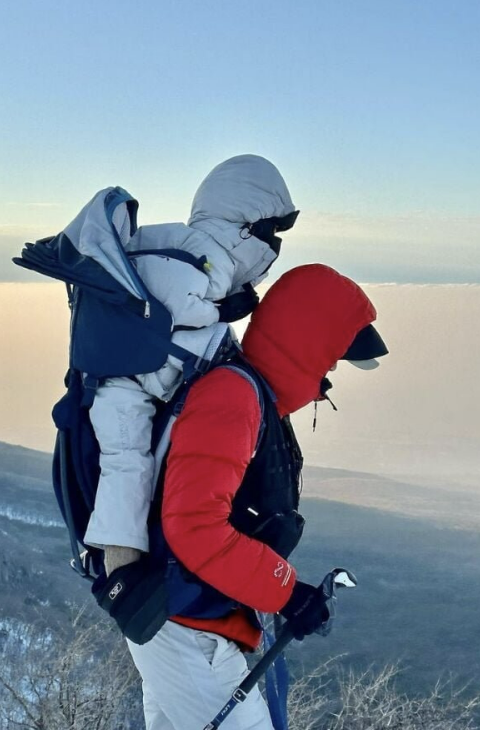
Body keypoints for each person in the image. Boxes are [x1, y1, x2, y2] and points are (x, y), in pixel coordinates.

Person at [120, 264, 388, 730]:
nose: (329, 375)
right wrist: (287, 592)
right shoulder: (233, 397)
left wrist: (285, 594)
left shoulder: (249, 397)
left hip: (188, 621)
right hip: (188, 630)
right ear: (308, 346)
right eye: (331, 359)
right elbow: (196, 527)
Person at [84, 155, 299, 577]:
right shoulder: (208, 259)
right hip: (127, 382)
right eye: (272, 230)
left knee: (127, 464)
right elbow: (181, 311)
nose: (274, 245)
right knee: (127, 463)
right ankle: (120, 572)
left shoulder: (186, 245)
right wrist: (223, 314)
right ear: (244, 225)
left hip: (123, 371)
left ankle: (122, 560)